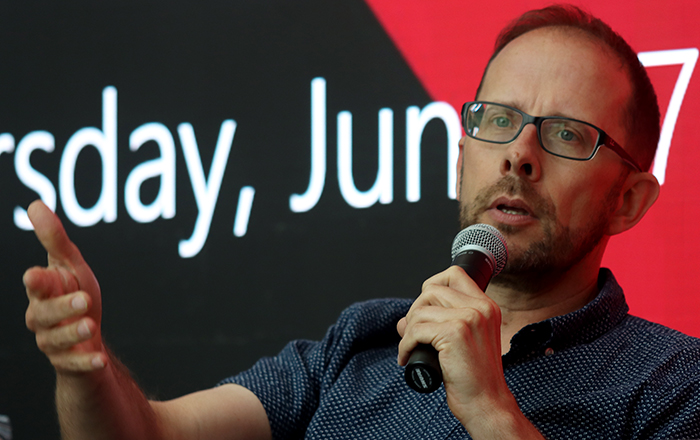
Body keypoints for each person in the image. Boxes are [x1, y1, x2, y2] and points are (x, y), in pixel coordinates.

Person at [22, 4, 700, 439]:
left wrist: (492, 412)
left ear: (629, 200)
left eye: (566, 134)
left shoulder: (674, 383)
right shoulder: (365, 341)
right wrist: (85, 368)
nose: (518, 155)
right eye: (497, 121)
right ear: (461, 160)